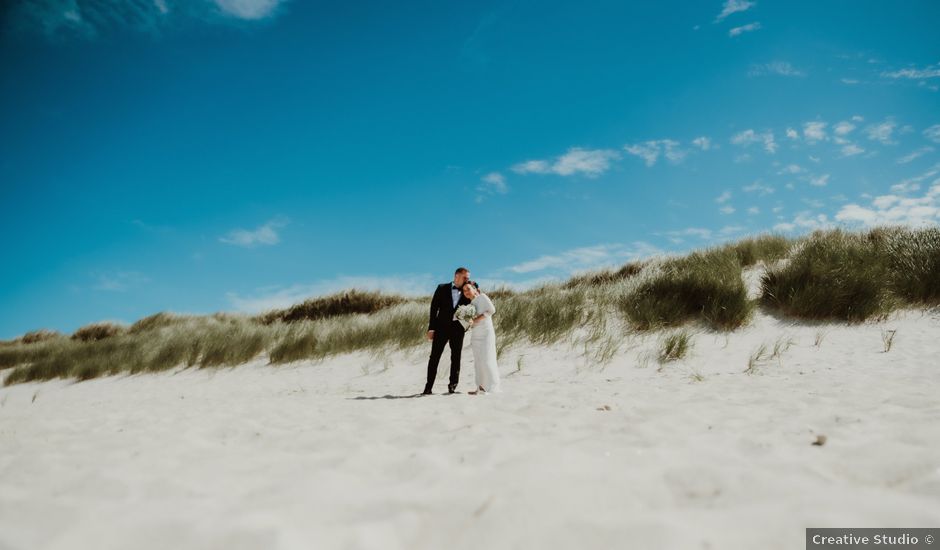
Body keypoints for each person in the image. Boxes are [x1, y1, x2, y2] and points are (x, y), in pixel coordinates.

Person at [423, 267, 471, 395]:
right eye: (465, 277)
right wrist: (431, 328)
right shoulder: (441, 288)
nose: (467, 280)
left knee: (456, 358)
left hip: (458, 330)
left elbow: (473, 304)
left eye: (468, 278)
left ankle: (452, 386)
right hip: (440, 328)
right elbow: (434, 309)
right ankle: (428, 387)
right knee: (434, 357)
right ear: (456, 276)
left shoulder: (469, 290)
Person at [462, 282, 502, 395]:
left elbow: (491, 310)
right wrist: (468, 323)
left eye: (468, 289)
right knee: (478, 361)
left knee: (487, 359)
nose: (466, 292)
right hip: (476, 334)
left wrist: (475, 320)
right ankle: (480, 387)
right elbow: (471, 321)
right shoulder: (470, 305)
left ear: (474, 289)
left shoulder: (482, 297)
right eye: (464, 290)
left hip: (486, 332)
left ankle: (491, 387)